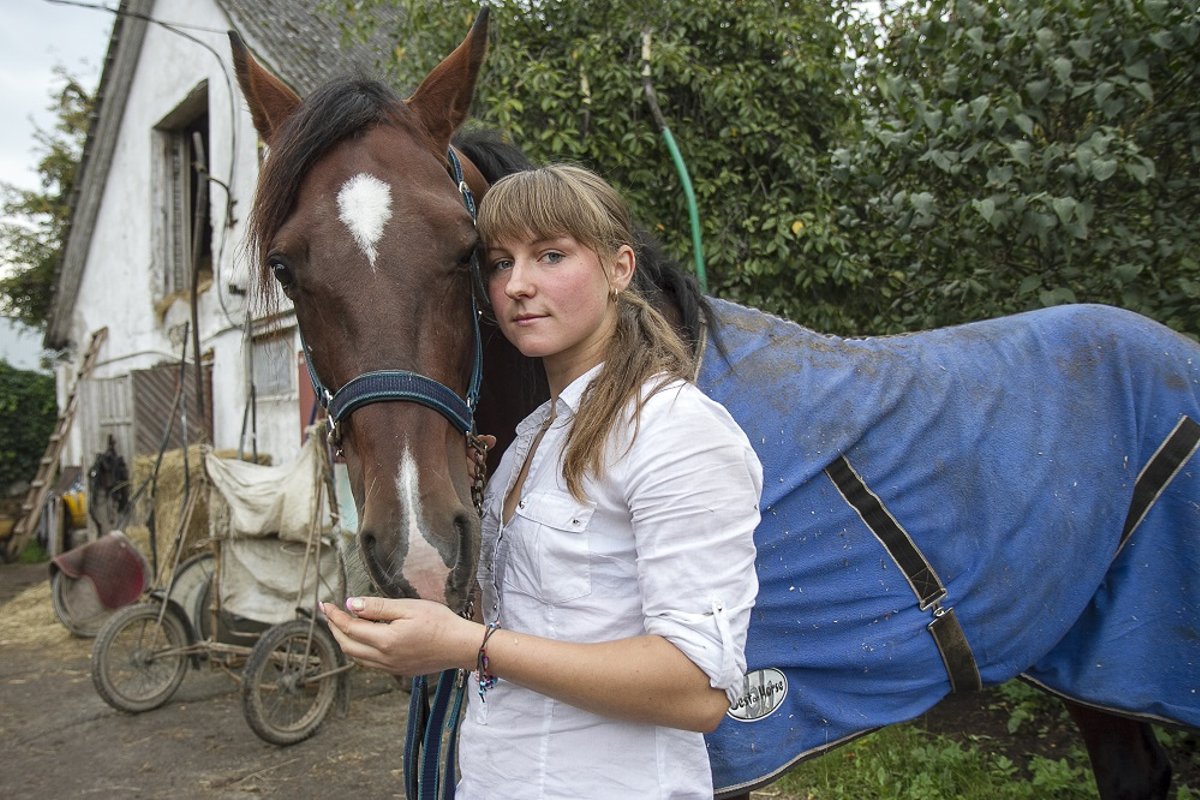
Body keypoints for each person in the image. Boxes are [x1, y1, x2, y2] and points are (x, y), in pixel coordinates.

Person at [322, 164, 762, 799]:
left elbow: (697, 689)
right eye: (499, 264)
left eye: (551, 255)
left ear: (620, 268)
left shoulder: (677, 432)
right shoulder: (531, 440)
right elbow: (526, 623)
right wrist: (428, 624)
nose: (519, 285)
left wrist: (468, 645)